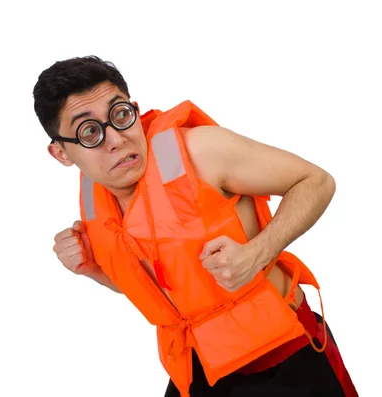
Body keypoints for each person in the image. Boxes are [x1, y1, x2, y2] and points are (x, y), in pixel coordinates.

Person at [32, 55, 358, 397]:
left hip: (284, 359)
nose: (115, 139)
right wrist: (93, 270)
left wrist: (257, 253)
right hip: (199, 369)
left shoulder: (200, 150)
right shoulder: (95, 194)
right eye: (89, 132)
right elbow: (162, 285)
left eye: (121, 115)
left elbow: (316, 182)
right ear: (62, 154)